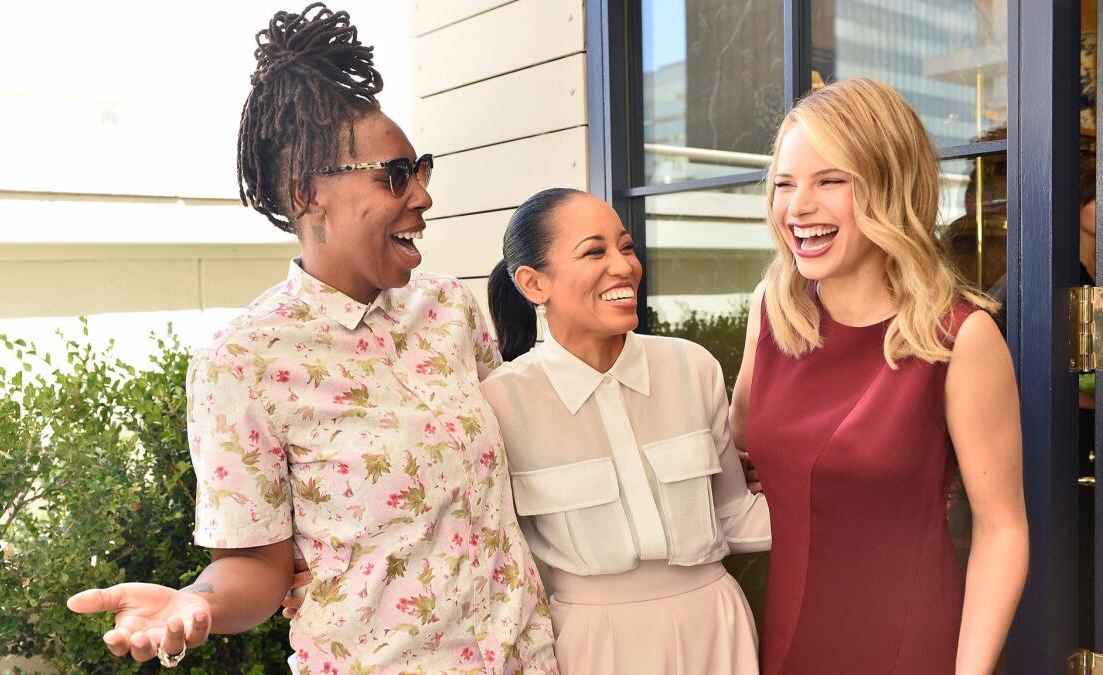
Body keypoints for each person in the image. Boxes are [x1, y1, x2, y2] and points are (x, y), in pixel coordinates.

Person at [66, 6, 557, 673]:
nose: (423, 196)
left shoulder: (449, 307)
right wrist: (196, 600)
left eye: (422, 169)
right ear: (308, 195)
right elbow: (257, 568)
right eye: (394, 175)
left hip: (530, 657)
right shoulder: (242, 361)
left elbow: (517, 465)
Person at [731, 78, 1028, 674]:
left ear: (891, 187)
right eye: (785, 185)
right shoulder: (772, 310)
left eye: (830, 181)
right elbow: (742, 442)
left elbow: (1001, 529)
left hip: (906, 644)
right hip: (783, 638)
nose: (798, 207)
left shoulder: (960, 336)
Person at [481, 188, 772, 674]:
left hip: (716, 628)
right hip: (592, 647)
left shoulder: (691, 367)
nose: (624, 266)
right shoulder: (499, 403)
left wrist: (861, 505)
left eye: (627, 247)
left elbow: (734, 514)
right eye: (595, 251)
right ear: (533, 284)